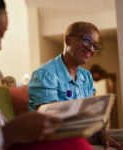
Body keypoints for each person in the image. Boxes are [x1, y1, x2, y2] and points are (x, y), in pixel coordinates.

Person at [0, 1, 95, 150]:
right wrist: (12, 132)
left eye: (1, 37)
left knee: (77, 142)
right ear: (67, 40)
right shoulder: (46, 74)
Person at [28, 21, 123, 149]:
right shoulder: (45, 74)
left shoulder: (86, 76)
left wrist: (102, 133)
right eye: (87, 40)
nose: (91, 49)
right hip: (56, 139)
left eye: (95, 45)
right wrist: (92, 139)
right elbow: (52, 124)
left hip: (87, 133)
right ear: (68, 40)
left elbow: (91, 115)